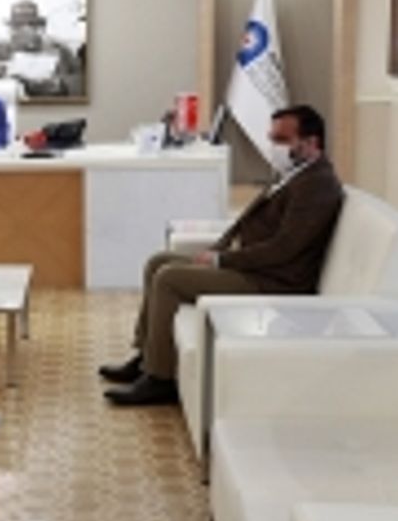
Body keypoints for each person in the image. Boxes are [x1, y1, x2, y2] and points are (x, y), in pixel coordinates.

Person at [100, 106, 345, 406]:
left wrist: (222, 261)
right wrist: (217, 249)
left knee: (169, 279)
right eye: (272, 138)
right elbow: (244, 224)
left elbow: (284, 248)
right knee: (158, 262)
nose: (274, 147)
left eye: (282, 139)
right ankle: (146, 357)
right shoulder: (293, 173)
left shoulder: (317, 184)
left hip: (272, 281)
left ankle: (161, 379)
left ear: (312, 142)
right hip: (249, 266)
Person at [0, 0, 84, 98]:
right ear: (11, 28)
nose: (25, 29)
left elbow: (79, 82)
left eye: (31, 24)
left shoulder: (59, 50)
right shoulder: (0, 50)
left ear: (39, 27)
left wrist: (59, 85)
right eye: (17, 25)